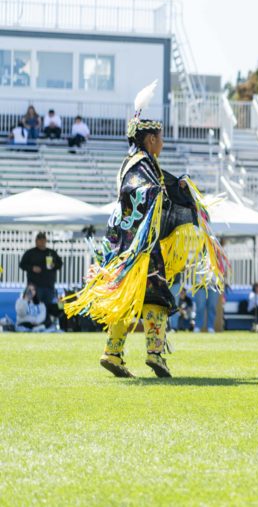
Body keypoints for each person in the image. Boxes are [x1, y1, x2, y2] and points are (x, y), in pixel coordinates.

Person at [62, 80, 227, 378]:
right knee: (156, 297)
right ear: (150, 139)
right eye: (160, 137)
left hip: (128, 246)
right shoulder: (139, 165)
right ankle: (152, 354)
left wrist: (178, 189)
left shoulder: (141, 162)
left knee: (131, 297)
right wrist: (160, 193)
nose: (162, 142)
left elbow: (159, 187)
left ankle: (113, 353)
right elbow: (141, 191)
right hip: (138, 248)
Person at [19, 232, 63, 329]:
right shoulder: (30, 253)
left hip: (49, 286)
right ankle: (34, 325)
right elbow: (22, 265)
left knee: (47, 307)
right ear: (36, 241)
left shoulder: (51, 252)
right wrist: (32, 268)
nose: (42, 242)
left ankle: (47, 325)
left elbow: (60, 264)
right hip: (34, 287)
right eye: (39, 240)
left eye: (43, 240)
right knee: (35, 307)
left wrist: (53, 265)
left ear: (46, 241)